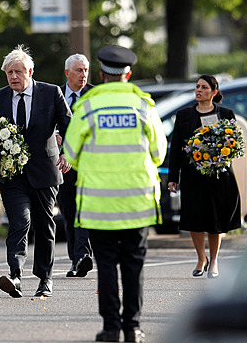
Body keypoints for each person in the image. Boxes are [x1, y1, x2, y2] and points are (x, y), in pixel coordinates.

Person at [64, 45, 167, 343]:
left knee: (106, 265)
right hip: (136, 202)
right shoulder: (143, 105)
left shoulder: (87, 105)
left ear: (100, 75)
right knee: (133, 264)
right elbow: (159, 153)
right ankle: (132, 327)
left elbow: (70, 153)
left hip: (98, 204)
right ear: (129, 74)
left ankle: (111, 328)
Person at [0, 45, 72, 298]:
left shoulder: (51, 93)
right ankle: (15, 275)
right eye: (9, 72)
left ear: (30, 71)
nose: (13, 76)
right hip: (11, 174)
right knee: (19, 221)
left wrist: (67, 152)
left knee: (45, 226)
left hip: (45, 170)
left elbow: (70, 127)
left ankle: (45, 278)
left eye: (18, 72)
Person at [168, 75, 241, 279]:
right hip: (192, 176)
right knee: (194, 219)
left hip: (218, 177)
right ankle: (201, 258)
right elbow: (176, 149)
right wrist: (173, 177)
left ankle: (214, 260)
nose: (199, 90)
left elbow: (232, 144)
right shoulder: (183, 116)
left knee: (214, 220)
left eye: (204, 87)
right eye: (197, 86)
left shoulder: (226, 114)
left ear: (214, 92)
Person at [58, 53, 94, 278]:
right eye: (79, 70)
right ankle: (75, 260)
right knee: (69, 213)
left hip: (89, 164)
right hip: (62, 165)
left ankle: (83, 256)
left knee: (84, 211)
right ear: (67, 73)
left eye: (86, 70)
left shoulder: (95, 95)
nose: (83, 75)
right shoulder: (55, 94)